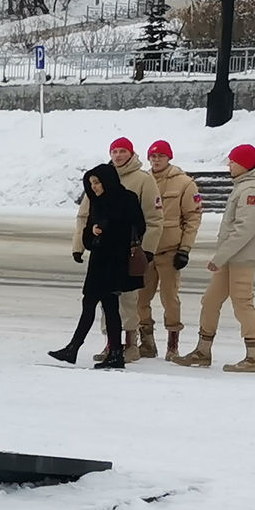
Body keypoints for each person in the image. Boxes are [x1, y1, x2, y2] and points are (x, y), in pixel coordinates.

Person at [172, 143, 255, 372]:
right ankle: (202, 351)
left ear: (244, 165)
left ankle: (254, 357)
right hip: (230, 258)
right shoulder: (243, 186)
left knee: (242, 304)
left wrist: (219, 257)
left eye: (233, 162)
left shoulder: (251, 191)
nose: (229, 165)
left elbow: (244, 230)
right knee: (210, 301)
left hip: (241, 258)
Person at [49, 163, 145, 369]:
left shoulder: (127, 199)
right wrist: (92, 232)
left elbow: (139, 227)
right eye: (91, 183)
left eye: (97, 182)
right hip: (99, 261)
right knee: (105, 306)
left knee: (99, 304)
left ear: (107, 181)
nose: (94, 187)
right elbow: (87, 234)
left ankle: (76, 348)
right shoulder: (96, 202)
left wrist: (109, 229)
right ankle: (112, 353)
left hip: (116, 262)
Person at [79, 137, 164, 361]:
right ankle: (111, 344)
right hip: (103, 251)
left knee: (127, 298)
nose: (118, 155)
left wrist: (147, 250)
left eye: (122, 151)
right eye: (114, 151)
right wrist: (79, 245)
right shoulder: (99, 177)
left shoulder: (143, 180)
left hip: (127, 251)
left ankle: (130, 344)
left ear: (131, 153)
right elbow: (86, 215)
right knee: (106, 299)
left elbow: (153, 219)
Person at [138, 140, 203, 359]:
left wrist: (185, 249)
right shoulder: (143, 181)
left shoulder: (184, 183)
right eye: (153, 156)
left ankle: (172, 345)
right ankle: (146, 342)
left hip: (170, 251)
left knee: (170, 299)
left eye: (161, 156)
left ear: (169, 158)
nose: (156, 160)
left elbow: (192, 218)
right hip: (146, 251)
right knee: (140, 299)